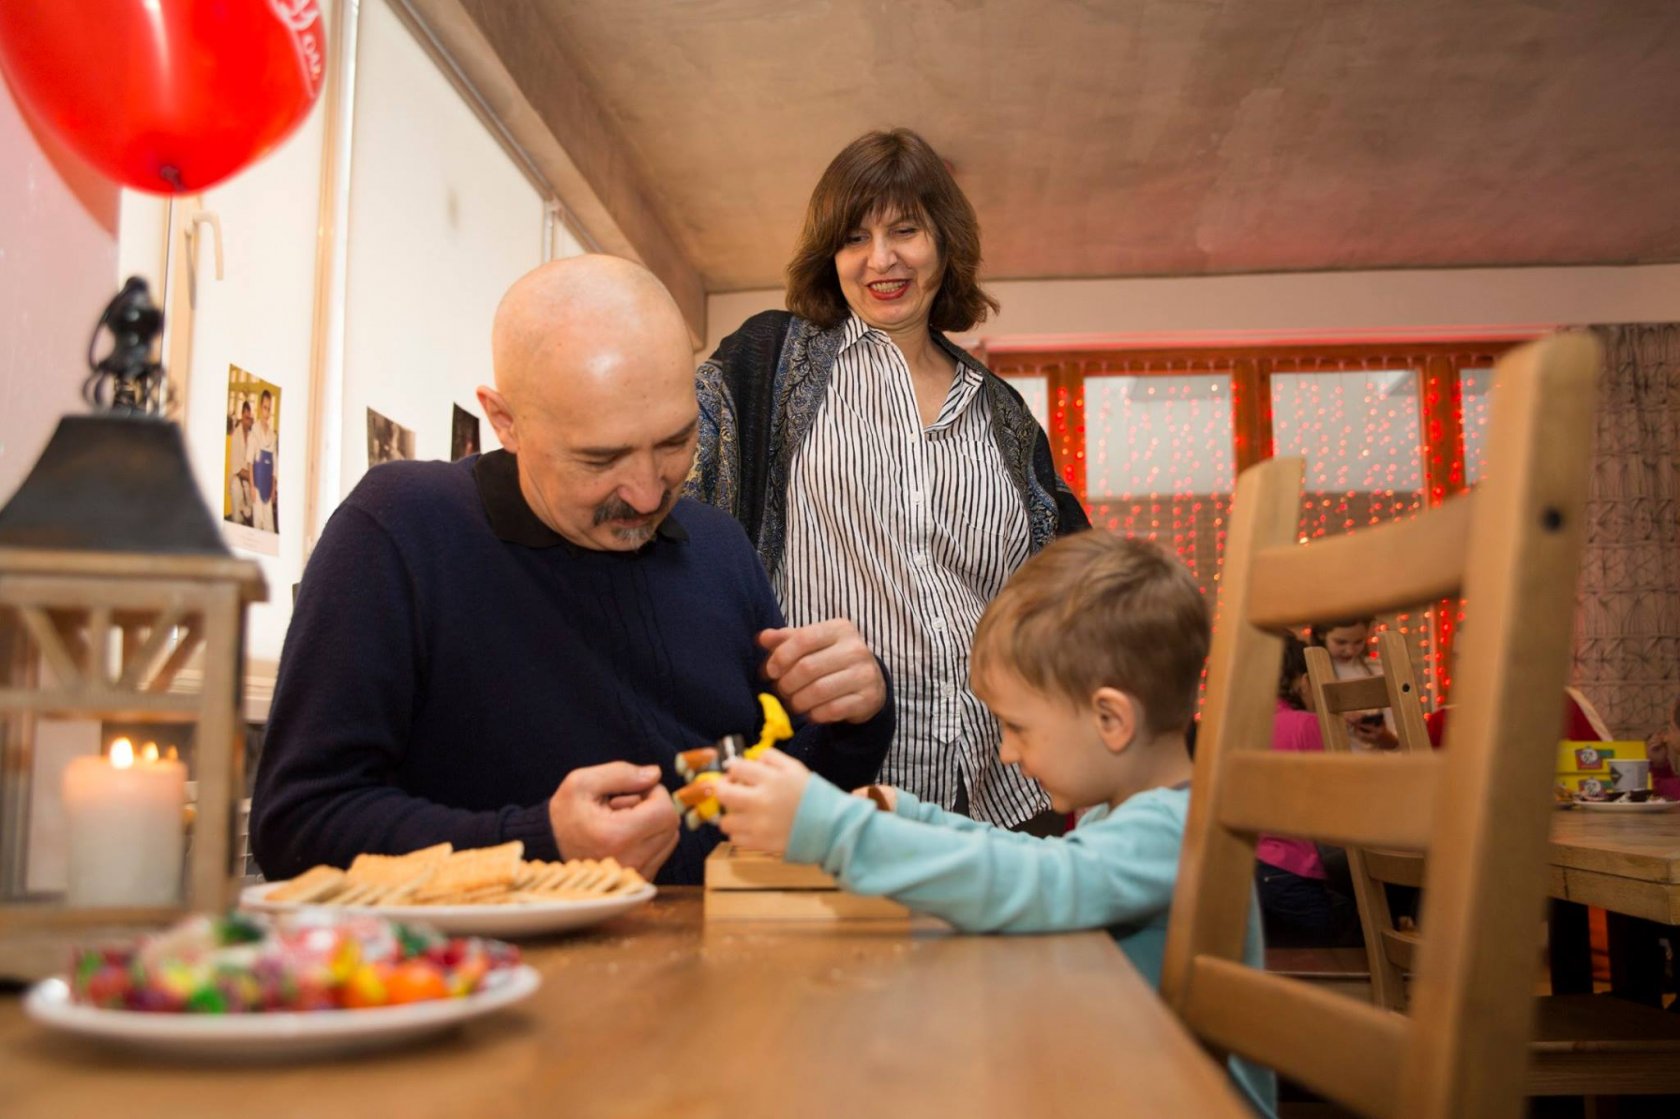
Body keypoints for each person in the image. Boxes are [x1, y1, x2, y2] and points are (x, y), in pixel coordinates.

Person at [250, 256, 895, 886]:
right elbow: (298, 826)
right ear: (506, 421)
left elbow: (785, 794)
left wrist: (852, 718)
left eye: (675, 442)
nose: (647, 493)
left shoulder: (720, 547)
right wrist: (540, 842)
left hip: (725, 968)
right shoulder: (399, 529)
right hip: (489, 980)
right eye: (601, 459)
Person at [712, 532, 1275, 1117]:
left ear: (1112, 719)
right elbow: (1025, 856)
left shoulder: (1171, 832)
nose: (1007, 752)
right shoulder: (1137, 811)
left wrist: (829, 829)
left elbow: (1039, 880)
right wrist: (912, 813)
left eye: (1019, 727)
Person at [689, 128, 1089, 834]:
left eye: (905, 229)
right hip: (830, 795)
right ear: (830, 256)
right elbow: (674, 487)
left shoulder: (1003, 412)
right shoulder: (770, 363)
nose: (881, 259)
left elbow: (1064, 583)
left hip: (1001, 796)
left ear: (944, 241)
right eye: (854, 237)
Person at [1254, 634, 1365, 948]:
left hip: (1250, 876)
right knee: (1348, 941)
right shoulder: (1306, 724)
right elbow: (1337, 802)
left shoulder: (1242, 726)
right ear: (1303, 681)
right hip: (1294, 874)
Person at [1307, 617, 1394, 748]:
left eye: (1359, 642)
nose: (1350, 650)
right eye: (1341, 642)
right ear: (1321, 635)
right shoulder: (1306, 672)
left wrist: (1383, 737)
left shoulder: (1378, 670)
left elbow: (1397, 739)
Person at [245, 389, 279, 532]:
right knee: (258, 526)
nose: (267, 412)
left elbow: (274, 467)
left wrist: (273, 490)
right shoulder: (255, 431)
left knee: (270, 528)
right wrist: (252, 487)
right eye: (265, 408)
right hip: (257, 487)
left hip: (268, 486)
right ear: (260, 408)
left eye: (269, 409)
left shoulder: (273, 436)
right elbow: (250, 462)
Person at [228, 401, 254, 526]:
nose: (248, 420)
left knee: (251, 514)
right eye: (246, 417)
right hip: (237, 479)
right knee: (238, 520)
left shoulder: (251, 435)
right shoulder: (235, 436)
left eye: (250, 418)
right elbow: (236, 469)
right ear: (242, 415)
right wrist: (253, 477)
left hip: (248, 481)